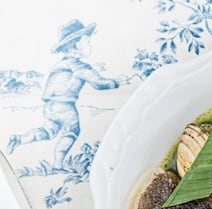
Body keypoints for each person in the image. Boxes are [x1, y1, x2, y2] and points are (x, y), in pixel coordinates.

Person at [6, 20, 129, 169]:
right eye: (88, 42)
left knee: (48, 131)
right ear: (78, 45)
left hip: (50, 107)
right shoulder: (79, 66)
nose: (90, 45)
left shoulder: (59, 66)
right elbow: (98, 83)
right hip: (66, 107)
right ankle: (58, 163)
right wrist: (117, 82)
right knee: (71, 131)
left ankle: (21, 139)